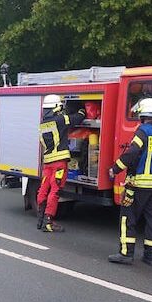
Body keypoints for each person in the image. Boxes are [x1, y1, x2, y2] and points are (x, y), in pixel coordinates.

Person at [107, 98, 152, 265]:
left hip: (139, 184)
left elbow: (132, 153)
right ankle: (150, 256)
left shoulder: (143, 131)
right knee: (151, 219)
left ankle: (126, 254)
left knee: (128, 217)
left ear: (142, 116)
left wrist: (115, 169)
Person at [36, 94, 86, 232]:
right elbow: (77, 118)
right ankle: (48, 222)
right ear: (57, 107)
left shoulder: (42, 124)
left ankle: (40, 219)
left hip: (48, 162)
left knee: (43, 189)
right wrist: (82, 110)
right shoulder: (60, 119)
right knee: (55, 190)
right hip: (59, 162)